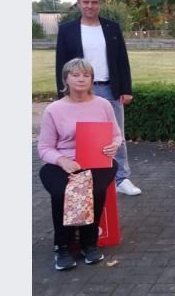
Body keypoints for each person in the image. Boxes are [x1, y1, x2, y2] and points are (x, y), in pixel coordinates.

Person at [38, 58, 123, 271]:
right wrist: (62, 160)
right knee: (63, 192)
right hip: (62, 162)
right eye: (75, 75)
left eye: (86, 75)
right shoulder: (54, 109)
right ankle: (63, 247)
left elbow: (116, 135)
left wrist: (113, 146)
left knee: (93, 190)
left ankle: (89, 244)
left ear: (92, 80)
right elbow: (44, 148)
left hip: (98, 160)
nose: (81, 79)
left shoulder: (103, 105)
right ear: (65, 79)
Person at [56, 0, 141, 196]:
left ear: (99, 4)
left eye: (94, 2)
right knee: (80, 136)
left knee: (116, 135)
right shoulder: (67, 30)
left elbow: (122, 59)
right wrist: (63, 93)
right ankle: (85, 175)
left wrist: (126, 88)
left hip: (110, 89)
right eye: (85, 2)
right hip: (79, 91)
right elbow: (61, 62)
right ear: (78, 3)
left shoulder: (112, 28)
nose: (90, 6)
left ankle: (121, 178)